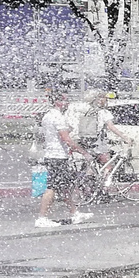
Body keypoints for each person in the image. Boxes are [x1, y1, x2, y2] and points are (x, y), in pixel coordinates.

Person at [36, 93, 92, 229]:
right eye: (65, 101)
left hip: (52, 155)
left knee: (64, 187)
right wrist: (84, 153)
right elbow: (66, 139)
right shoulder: (58, 117)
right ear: (57, 102)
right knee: (52, 187)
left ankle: (74, 213)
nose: (67, 104)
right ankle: (42, 218)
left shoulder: (48, 116)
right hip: (57, 157)